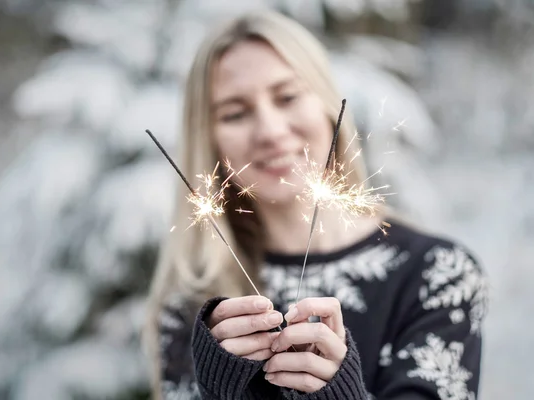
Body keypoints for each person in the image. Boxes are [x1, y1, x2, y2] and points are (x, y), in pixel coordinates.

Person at [143, 10, 488, 400]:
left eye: (287, 96)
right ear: (208, 142)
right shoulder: (198, 312)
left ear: (327, 104)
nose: (271, 132)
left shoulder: (437, 275)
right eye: (235, 113)